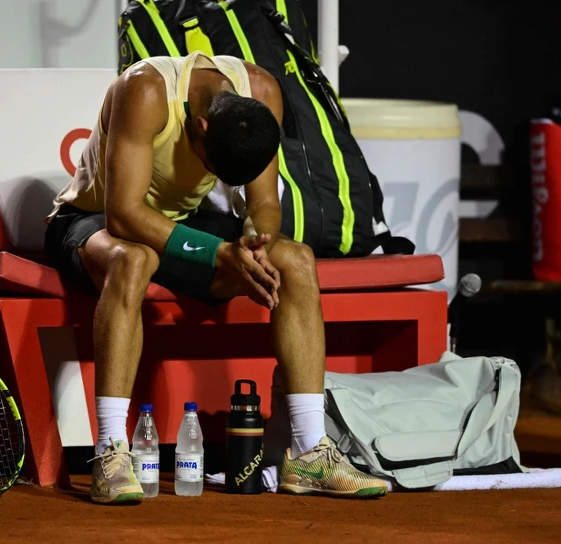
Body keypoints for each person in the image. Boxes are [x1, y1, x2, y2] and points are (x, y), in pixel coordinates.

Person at [44, 51, 387, 504]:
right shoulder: (146, 91)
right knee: (135, 260)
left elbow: (263, 204)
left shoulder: (261, 94)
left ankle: (309, 452)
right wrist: (218, 252)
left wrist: (253, 242)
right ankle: (111, 453)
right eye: (212, 166)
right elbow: (124, 214)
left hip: (177, 226)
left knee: (296, 259)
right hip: (91, 223)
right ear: (202, 127)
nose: (211, 176)